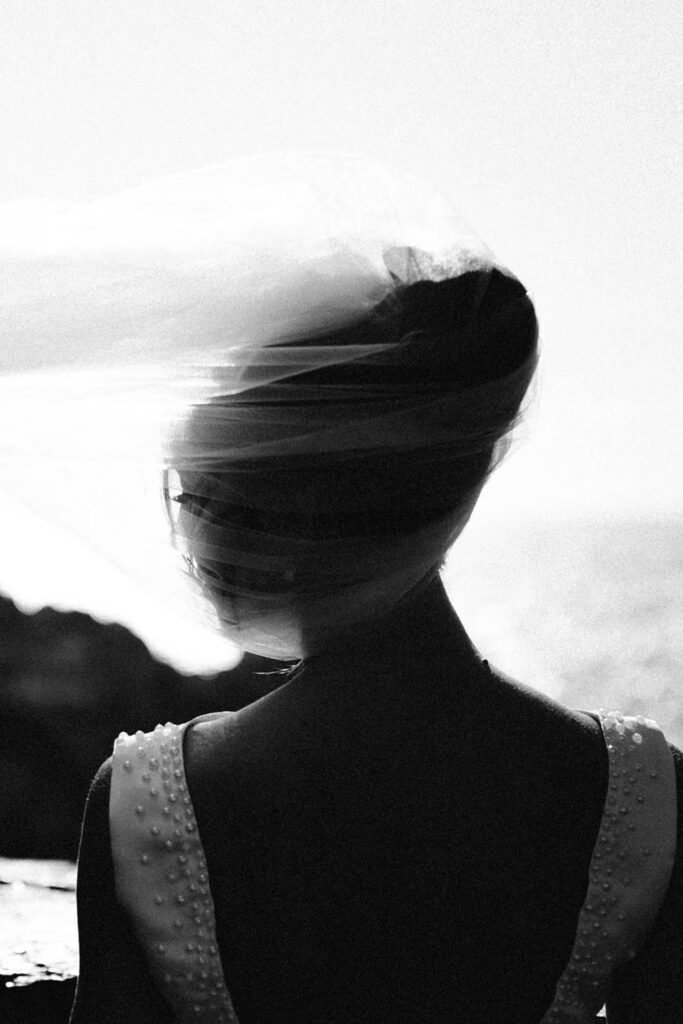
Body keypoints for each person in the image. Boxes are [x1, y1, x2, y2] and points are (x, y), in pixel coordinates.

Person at [1, 154, 680, 1022]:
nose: (194, 527)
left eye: (205, 489)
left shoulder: (152, 797)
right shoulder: (642, 791)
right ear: (451, 488)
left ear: (297, 509)